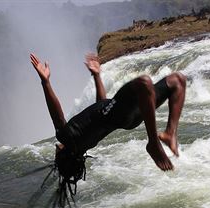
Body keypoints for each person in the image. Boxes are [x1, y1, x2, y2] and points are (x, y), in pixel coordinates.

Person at [30, 53, 186, 195]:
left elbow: (102, 105)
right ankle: (153, 142)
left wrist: (96, 76)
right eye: (56, 155)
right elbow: (57, 116)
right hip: (120, 110)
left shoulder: (85, 144)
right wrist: (45, 82)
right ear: (63, 156)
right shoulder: (67, 137)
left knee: (177, 81)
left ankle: (170, 133)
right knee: (146, 83)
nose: (55, 150)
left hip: (128, 117)